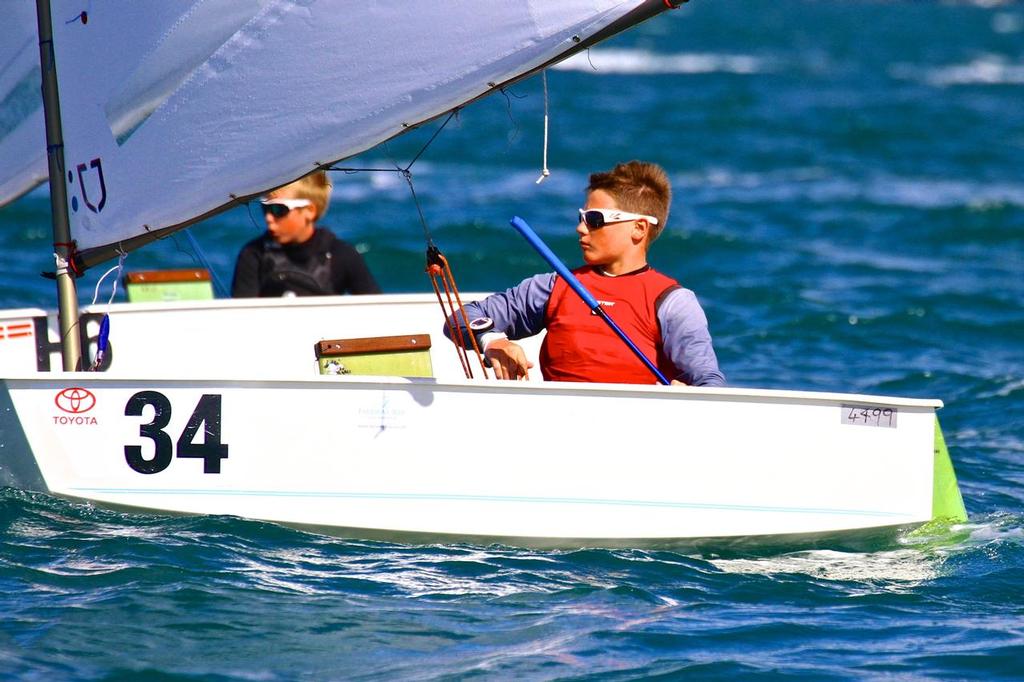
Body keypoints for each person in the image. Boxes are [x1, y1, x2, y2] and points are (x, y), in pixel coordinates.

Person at [444, 160, 725, 386]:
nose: (581, 228)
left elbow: (710, 385)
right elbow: (459, 319)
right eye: (581, 217)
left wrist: (689, 399)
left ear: (639, 228)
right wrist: (493, 341)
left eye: (594, 220)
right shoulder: (553, 287)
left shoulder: (672, 302)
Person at [232, 171, 381, 297]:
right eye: (265, 209)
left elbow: (378, 313)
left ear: (309, 211)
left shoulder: (343, 255)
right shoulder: (253, 255)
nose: (268, 218)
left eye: (278, 210)